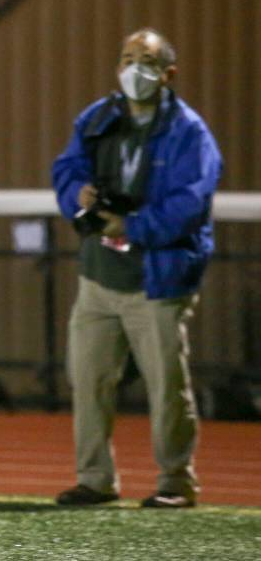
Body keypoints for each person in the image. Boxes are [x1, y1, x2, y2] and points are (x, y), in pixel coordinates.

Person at [51, 28, 222, 508]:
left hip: (158, 279)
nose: (132, 68)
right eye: (126, 58)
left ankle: (175, 481)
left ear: (168, 73)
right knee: (87, 380)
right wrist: (77, 197)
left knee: (167, 386)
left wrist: (132, 225)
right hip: (98, 275)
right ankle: (94, 479)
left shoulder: (189, 131)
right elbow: (66, 169)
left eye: (144, 60)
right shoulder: (97, 117)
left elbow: (191, 203)